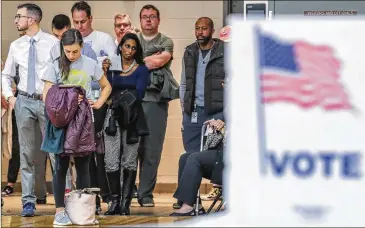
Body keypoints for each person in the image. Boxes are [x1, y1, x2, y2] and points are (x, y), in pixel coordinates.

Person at [42, 28, 112, 226]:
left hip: (83, 121)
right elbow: (46, 95)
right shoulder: (55, 65)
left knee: (84, 167)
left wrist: (98, 103)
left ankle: (81, 210)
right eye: (67, 51)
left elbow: (106, 86)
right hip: (61, 121)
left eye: (75, 51)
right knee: (61, 167)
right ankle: (59, 212)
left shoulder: (91, 64)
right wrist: (70, 99)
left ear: (82, 47)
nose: (71, 55)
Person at [1, 3, 58, 217]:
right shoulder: (16, 45)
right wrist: (10, 96)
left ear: (32, 19)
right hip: (24, 100)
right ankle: (28, 202)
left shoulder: (52, 43)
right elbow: (6, 75)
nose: (15, 20)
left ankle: (63, 200)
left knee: (54, 151)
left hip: (46, 101)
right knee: (25, 153)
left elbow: (60, 72)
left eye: (19, 17)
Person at [173, 17, 226, 209]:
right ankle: (188, 201)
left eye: (204, 28)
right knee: (190, 155)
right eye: (197, 28)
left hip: (215, 113)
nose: (200, 32)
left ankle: (218, 191)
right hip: (192, 113)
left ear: (212, 31)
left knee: (210, 157)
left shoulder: (224, 52)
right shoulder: (189, 51)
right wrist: (184, 111)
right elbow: (184, 84)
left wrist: (223, 116)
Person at [71, 1, 116, 208]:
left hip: (98, 101)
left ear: (90, 19)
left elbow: (116, 66)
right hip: (77, 102)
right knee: (83, 151)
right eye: (76, 22)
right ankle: (90, 196)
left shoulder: (103, 39)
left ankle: (104, 194)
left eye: (83, 21)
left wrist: (106, 65)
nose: (79, 26)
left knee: (98, 151)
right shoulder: (72, 40)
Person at [103, 33, 149, 215]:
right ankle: (114, 202)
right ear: (120, 46)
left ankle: (125, 203)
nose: (129, 50)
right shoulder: (111, 67)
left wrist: (116, 97)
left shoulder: (141, 69)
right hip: (112, 116)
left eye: (133, 47)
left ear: (137, 50)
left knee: (129, 160)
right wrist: (105, 72)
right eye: (126, 46)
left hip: (133, 117)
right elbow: (105, 89)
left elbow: (139, 93)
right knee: (111, 160)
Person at [136, 4, 175, 207]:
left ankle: (145, 194)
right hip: (133, 101)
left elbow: (158, 61)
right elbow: (128, 64)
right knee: (131, 149)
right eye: (144, 17)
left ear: (158, 20)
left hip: (156, 102)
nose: (148, 20)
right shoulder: (133, 40)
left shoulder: (166, 41)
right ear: (140, 20)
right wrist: (149, 57)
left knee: (152, 150)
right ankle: (127, 191)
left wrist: (138, 60)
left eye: (152, 17)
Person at [170, 119, 226, 216]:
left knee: (195, 158)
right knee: (185, 158)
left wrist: (225, 125)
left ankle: (187, 206)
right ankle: (195, 205)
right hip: (222, 154)